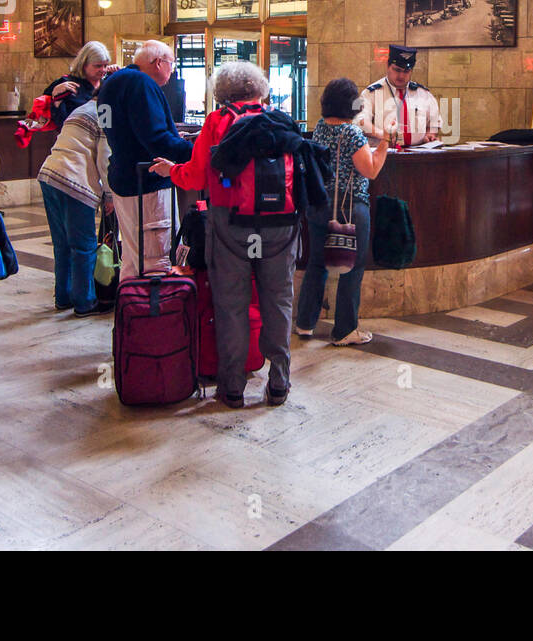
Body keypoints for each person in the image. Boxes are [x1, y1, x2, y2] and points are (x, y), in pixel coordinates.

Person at [151, 61, 328, 408]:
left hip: (231, 225)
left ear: (222, 93)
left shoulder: (218, 122)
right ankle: (278, 382)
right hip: (281, 225)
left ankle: (232, 387)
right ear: (259, 89)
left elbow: (197, 176)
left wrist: (171, 170)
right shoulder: (280, 120)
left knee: (231, 304)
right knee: (278, 300)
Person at [294, 78, 389, 346]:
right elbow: (369, 170)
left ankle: (305, 323)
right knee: (352, 266)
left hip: (319, 204)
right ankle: (345, 330)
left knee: (316, 263)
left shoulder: (321, 128)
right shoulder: (351, 133)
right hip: (348, 209)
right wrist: (383, 146)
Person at [95, 39, 193, 280]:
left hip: (125, 178)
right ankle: (153, 313)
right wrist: (195, 152)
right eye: (172, 64)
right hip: (147, 184)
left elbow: (128, 131)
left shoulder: (114, 82)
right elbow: (156, 139)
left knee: (134, 257)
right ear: (158, 62)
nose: (173, 70)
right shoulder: (139, 83)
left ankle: (132, 313)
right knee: (154, 260)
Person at [37, 99, 112, 317]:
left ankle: (63, 297)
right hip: (74, 180)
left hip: (49, 174)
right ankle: (85, 302)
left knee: (62, 244)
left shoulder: (83, 108)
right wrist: (109, 194)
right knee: (83, 246)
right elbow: (106, 156)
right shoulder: (106, 109)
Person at [355, 44, 441, 147]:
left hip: (417, 154)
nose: (401, 76)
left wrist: (430, 134)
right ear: (388, 66)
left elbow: (435, 122)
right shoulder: (371, 93)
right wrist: (382, 134)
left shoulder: (423, 94)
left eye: (406, 71)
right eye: (397, 70)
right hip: (384, 155)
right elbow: (359, 121)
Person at [42, 40, 116, 129]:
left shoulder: (107, 83)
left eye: (105, 66)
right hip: (74, 135)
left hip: (103, 137)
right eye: (98, 66)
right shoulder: (66, 84)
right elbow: (61, 123)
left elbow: (107, 122)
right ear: (84, 64)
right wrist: (57, 99)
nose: (103, 70)